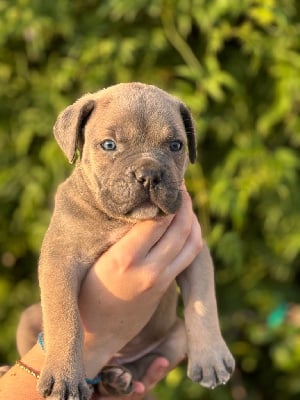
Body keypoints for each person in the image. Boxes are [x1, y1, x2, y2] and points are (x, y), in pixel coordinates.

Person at [0, 190, 203, 400]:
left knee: (178, 338)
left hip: (144, 349)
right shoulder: (81, 205)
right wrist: (89, 345)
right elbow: (57, 266)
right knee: (29, 322)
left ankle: (124, 377)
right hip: (68, 355)